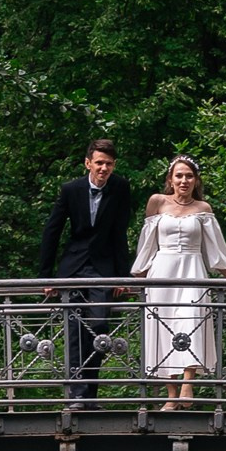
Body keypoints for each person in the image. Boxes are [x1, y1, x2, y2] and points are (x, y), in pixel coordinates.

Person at [38, 136, 138, 408]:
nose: (104, 168)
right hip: (73, 267)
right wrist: (46, 276)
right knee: (74, 330)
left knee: (99, 327)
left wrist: (123, 275)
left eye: (109, 164)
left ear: (114, 165)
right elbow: (52, 230)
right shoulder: (71, 190)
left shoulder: (120, 188)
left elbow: (120, 233)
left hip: (103, 268)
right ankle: (77, 395)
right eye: (99, 163)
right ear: (88, 163)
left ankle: (90, 395)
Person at [131, 156, 226, 406]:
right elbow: (147, 243)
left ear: (196, 180)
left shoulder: (203, 208)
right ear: (170, 179)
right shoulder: (157, 202)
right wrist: (137, 276)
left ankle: (188, 383)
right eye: (179, 176)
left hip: (192, 270)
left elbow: (215, 247)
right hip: (162, 271)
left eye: (189, 176)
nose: (184, 180)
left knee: (192, 321)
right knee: (163, 324)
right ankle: (171, 394)